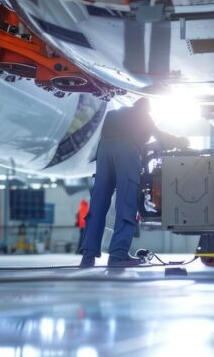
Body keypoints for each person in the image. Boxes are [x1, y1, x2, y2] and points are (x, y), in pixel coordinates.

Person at [79, 99, 188, 267]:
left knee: (97, 205)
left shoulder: (113, 114)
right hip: (126, 152)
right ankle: (118, 255)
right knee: (125, 203)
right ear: (146, 108)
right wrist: (179, 141)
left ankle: (88, 256)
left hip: (104, 150)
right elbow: (161, 137)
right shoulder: (142, 115)